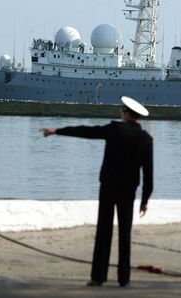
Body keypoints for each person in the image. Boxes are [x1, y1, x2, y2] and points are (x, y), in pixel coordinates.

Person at [42, 96, 153, 288]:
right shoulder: (145, 139)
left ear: (126, 113)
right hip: (128, 191)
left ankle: (98, 277)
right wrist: (145, 200)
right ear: (138, 117)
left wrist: (57, 131)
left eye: (122, 111)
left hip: (108, 188)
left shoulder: (114, 130)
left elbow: (87, 131)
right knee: (125, 234)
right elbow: (148, 173)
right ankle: (124, 279)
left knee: (104, 231)